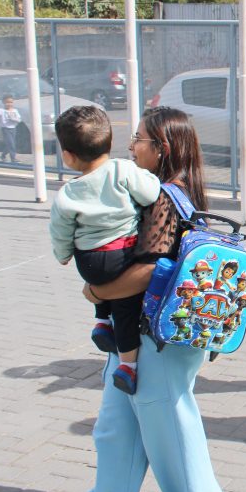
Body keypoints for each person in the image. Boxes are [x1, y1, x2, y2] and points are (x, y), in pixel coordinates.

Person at [65, 106, 234, 492]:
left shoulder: (164, 197)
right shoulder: (159, 191)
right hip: (137, 341)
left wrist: (98, 293)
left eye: (139, 138)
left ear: (163, 148)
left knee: (172, 435)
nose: (131, 145)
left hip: (156, 342)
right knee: (115, 435)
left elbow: (152, 269)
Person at [50, 105, 161, 394]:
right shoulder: (122, 170)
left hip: (87, 260)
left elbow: (60, 231)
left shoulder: (67, 193)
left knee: (100, 279)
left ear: (68, 156)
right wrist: (150, 177)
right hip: (122, 254)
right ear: (110, 142)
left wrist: (62, 255)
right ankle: (127, 367)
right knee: (125, 307)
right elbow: (150, 193)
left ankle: (101, 322)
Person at [0, 92, 21, 162]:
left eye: (11, 102)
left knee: (10, 143)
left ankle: (3, 155)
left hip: (13, 129)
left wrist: (14, 119)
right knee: (11, 143)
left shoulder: (15, 111)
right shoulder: (2, 111)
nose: (9, 104)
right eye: (7, 102)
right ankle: (13, 158)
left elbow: (19, 119)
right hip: (5, 129)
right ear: (3, 102)